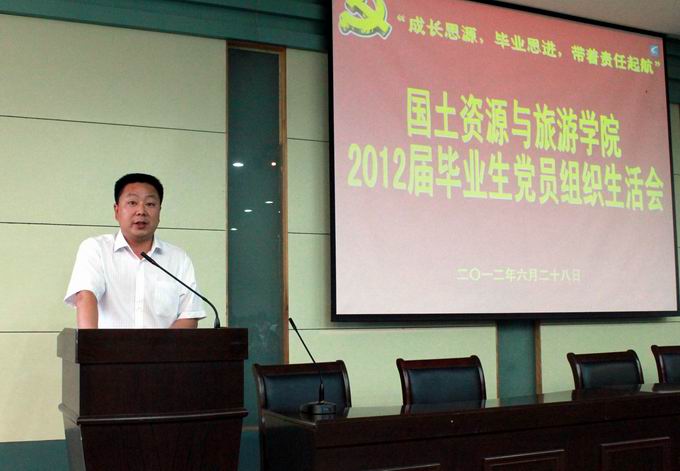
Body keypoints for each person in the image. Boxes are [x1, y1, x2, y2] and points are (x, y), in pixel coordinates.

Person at [64, 173, 205, 328]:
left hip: (165, 345)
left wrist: (159, 345)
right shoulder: (96, 249)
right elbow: (85, 297)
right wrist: (91, 342)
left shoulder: (178, 258)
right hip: (108, 345)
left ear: (159, 212)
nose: (141, 211)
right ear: (117, 211)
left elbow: (189, 315)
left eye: (150, 204)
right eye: (132, 202)